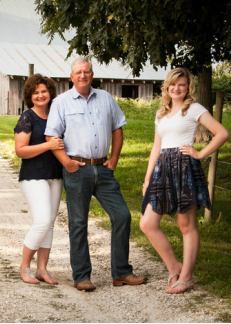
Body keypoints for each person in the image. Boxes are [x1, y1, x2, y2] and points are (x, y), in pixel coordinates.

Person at [45, 57, 147, 291]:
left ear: (92, 75)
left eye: (87, 72)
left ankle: (121, 273)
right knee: (78, 223)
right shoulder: (61, 103)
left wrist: (114, 159)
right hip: (77, 169)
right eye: (79, 72)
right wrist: (67, 163)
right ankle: (82, 276)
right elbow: (52, 137)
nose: (83, 75)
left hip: (103, 169)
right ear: (71, 77)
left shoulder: (106, 98)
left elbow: (117, 128)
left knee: (122, 215)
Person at [140, 68, 229, 294]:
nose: (176, 88)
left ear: (188, 87)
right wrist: (147, 178)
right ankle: (175, 268)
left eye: (181, 84)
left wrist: (199, 154)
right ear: (167, 87)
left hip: (184, 167)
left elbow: (222, 133)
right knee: (147, 223)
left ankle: (186, 278)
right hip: (163, 168)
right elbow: (156, 147)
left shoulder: (194, 109)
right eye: (173, 84)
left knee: (185, 225)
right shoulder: (161, 114)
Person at [14, 74, 65, 285]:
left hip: (56, 174)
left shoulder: (57, 115)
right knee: (42, 220)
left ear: (50, 92)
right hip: (33, 176)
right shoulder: (27, 117)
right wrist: (48, 146)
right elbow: (20, 151)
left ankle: (42, 269)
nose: (40, 95)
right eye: (35, 92)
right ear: (30, 96)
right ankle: (24, 267)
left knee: (50, 224)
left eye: (44, 91)